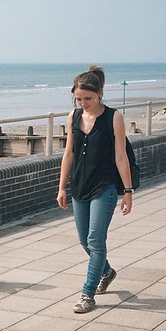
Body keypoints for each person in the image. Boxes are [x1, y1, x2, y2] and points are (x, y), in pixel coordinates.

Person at [57, 65, 134, 313]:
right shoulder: (73, 117)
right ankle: (107, 271)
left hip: (105, 187)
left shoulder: (114, 118)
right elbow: (68, 155)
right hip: (79, 186)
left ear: (100, 92)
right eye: (78, 99)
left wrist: (128, 192)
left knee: (95, 241)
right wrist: (61, 188)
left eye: (88, 98)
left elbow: (121, 157)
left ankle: (87, 294)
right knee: (84, 241)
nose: (83, 103)